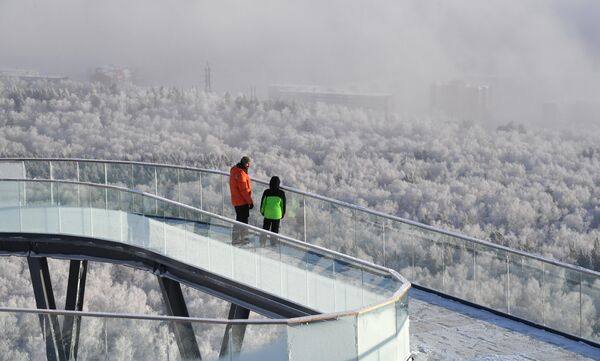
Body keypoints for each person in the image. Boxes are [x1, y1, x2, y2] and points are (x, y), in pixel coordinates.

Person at [229, 156, 253, 244]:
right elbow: (244, 190)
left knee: (239, 219)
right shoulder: (241, 173)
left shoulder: (234, 170)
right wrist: (250, 201)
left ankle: (236, 239)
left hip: (236, 200)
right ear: (244, 163)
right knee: (243, 221)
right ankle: (243, 239)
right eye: (248, 164)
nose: (249, 166)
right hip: (242, 201)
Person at [259, 176, 286, 246]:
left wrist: (262, 211)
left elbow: (263, 203)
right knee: (275, 230)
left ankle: (262, 242)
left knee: (265, 228)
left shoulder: (266, 192)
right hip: (277, 215)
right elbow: (283, 205)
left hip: (267, 213)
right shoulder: (281, 193)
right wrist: (283, 214)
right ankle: (273, 243)